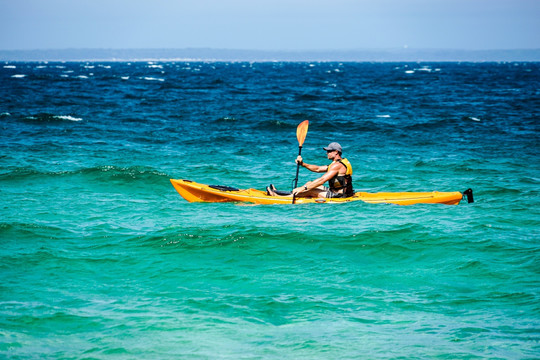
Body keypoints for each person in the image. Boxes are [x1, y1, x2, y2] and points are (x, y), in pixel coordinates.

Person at [267, 142, 354, 198]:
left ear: (336, 152)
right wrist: (302, 164)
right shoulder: (336, 164)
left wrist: (303, 188)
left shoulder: (337, 165)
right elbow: (318, 168)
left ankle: (278, 196)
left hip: (340, 195)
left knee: (311, 190)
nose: (326, 153)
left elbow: (322, 180)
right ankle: (282, 193)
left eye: (329, 151)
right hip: (334, 191)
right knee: (309, 183)